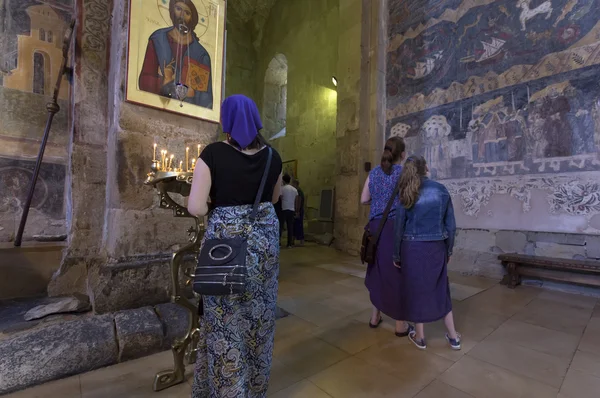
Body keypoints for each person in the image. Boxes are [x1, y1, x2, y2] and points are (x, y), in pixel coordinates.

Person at [187, 94, 283, 396]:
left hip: (225, 254)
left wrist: (221, 205)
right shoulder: (273, 157)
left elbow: (195, 207)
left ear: (227, 121)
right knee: (258, 325)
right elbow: (275, 199)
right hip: (264, 255)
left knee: (224, 328)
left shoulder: (213, 154)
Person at [393, 155, 461, 350]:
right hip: (436, 246)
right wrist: (448, 249)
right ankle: (453, 336)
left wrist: (396, 254)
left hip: (411, 248)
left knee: (416, 290)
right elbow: (451, 225)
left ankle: (420, 337)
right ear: (426, 168)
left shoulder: (406, 191)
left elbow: (398, 227)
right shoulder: (441, 190)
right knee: (441, 289)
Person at [361, 136, 412, 337]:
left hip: (375, 227)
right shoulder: (403, 173)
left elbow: (364, 199)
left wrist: (377, 203)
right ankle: (400, 324)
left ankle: (375, 317)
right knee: (396, 272)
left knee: (377, 270)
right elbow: (410, 200)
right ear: (402, 154)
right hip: (394, 227)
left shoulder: (374, 172)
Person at [139, 0, 213, 109]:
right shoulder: (158, 40)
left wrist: (193, 93)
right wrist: (164, 80)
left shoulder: (201, 55)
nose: (182, 16)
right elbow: (144, 81)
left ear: (192, 19)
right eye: (178, 9)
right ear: (172, 10)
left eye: (187, 13)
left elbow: (207, 100)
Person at [280, 174, 298, 248]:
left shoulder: (282, 188)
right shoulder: (294, 189)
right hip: (291, 209)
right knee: (290, 226)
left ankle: (279, 242)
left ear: (283, 180)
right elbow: (296, 200)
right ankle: (289, 244)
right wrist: (296, 210)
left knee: (281, 226)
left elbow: (280, 198)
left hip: (284, 208)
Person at [291, 179, 305, 245]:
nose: (292, 185)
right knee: (295, 225)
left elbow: (298, 201)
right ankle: (293, 240)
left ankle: (301, 241)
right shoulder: (298, 191)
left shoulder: (298, 191)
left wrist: (297, 211)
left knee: (298, 226)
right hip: (298, 210)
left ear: (296, 184)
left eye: (293, 184)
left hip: (298, 211)